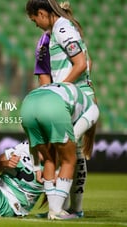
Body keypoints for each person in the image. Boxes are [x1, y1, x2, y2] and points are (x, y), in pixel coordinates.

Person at [28, 0, 98, 217]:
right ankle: (68, 207)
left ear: (41, 13)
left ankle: (66, 208)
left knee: (67, 149)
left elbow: (80, 64)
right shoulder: (58, 31)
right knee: (71, 149)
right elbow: (87, 63)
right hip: (72, 94)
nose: (36, 25)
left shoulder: (60, 29)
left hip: (74, 96)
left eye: (35, 20)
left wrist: (58, 89)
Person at [20, 82, 99, 220]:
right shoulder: (93, 110)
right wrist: (57, 172)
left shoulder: (71, 95)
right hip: (53, 105)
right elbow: (73, 137)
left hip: (27, 104)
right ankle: (56, 211)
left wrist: (37, 167)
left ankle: (53, 210)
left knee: (49, 157)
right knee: (69, 160)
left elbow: (34, 143)